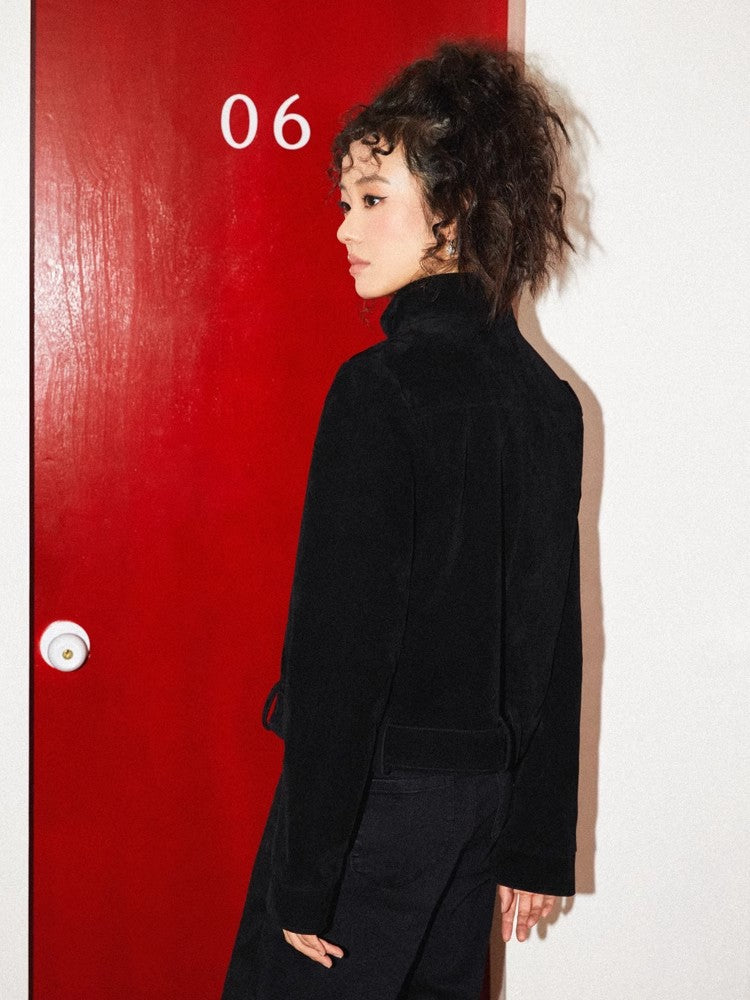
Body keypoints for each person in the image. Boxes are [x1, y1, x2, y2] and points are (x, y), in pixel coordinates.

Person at [222, 37, 583, 1000]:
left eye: (374, 199)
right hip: (474, 814)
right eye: (347, 201)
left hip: (370, 815)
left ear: (455, 211)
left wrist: (309, 872)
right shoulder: (547, 401)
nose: (345, 227)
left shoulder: (380, 392)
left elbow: (341, 652)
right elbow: (553, 637)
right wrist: (535, 843)